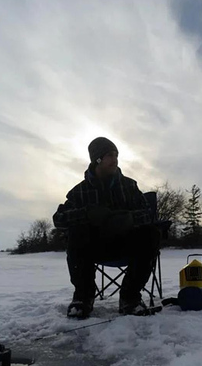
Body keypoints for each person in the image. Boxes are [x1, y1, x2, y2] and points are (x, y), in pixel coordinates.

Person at [53, 137, 160, 319]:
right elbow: (59, 220)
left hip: (126, 244)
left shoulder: (129, 186)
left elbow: (149, 214)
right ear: (97, 159)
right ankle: (83, 298)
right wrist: (86, 214)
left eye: (116, 155)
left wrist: (129, 218)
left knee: (151, 233)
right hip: (94, 247)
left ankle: (130, 298)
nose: (115, 159)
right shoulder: (79, 192)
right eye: (110, 155)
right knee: (77, 232)